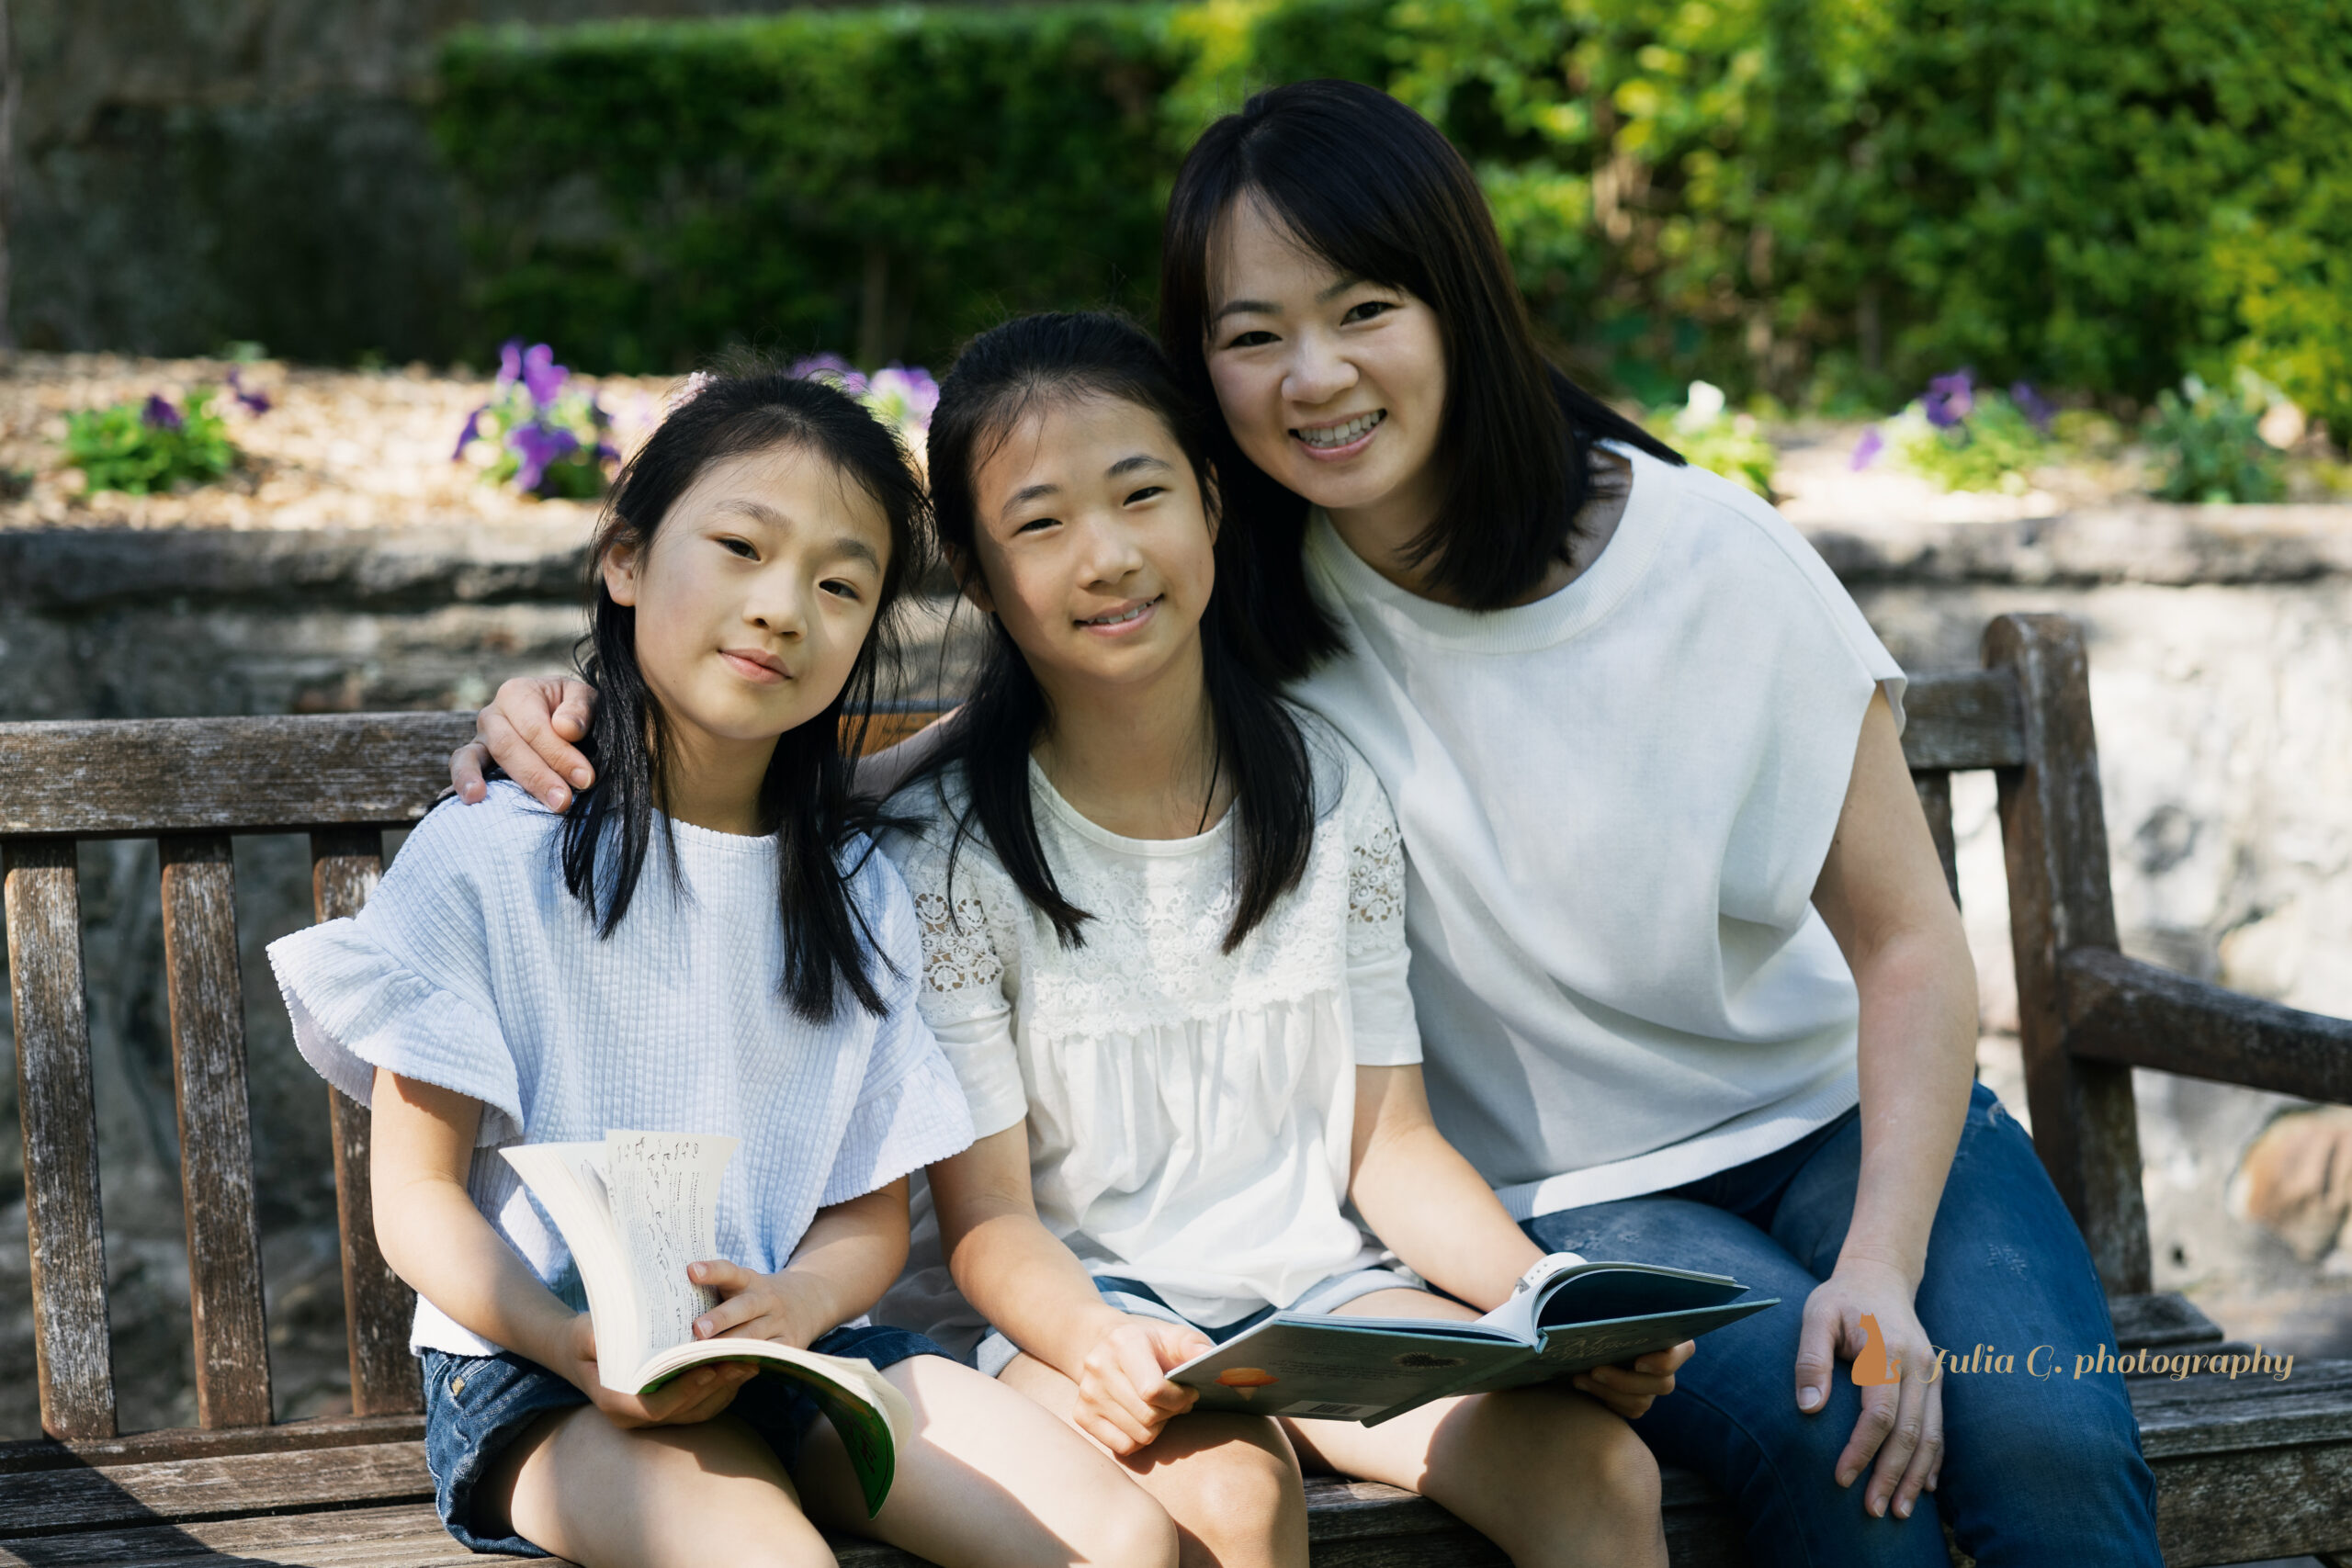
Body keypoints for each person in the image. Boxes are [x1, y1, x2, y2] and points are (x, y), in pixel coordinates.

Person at [451, 82, 2165, 1568]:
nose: (1314, 378)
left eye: (1363, 310)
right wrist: (604, 722)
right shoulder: (1258, 584)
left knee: (2046, 1438)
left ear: (1458, 302)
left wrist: (1876, 1262)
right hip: (1587, 1193)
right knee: (1826, 1420)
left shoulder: (1707, 561)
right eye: (1253, 335)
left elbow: (1909, 945)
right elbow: (993, 735)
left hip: (1841, 1123)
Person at [274, 367, 1175, 1568]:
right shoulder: (494, 856)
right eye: (741, 547)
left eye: (839, 583)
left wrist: (795, 1308)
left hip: (791, 1353)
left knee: (1123, 1542)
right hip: (539, 1379)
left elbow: (863, 1217)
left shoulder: (857, 892)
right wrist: (562, 1336)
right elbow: (418, 1200)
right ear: (627, 562)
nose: (782, 606)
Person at [879, 310, 1678, 1568]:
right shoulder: (948, 852)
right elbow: (988, 1223)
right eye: (1040, 525)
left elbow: (1390, 1146)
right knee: (1237, 1496)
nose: (1107, 556)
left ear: (1209, 500)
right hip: (1087, 1319)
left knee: (1600, 1473)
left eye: (1141, 494)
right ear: (977, 575)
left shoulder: (1324, 787)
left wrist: (1539, 1302)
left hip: (1325, 1303)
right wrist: (1094, 1341)